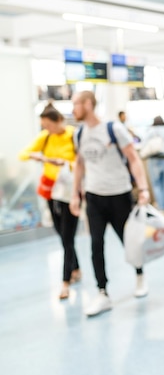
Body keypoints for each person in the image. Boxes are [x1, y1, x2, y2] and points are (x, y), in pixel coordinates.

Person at [69, 91, 151, 317]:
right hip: (94, 196)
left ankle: (140, 276)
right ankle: (102, 292)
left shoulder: (113, 129)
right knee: (96, 244)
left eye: (76, 104)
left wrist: (143, 188)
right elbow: (79, 164)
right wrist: (75, 193)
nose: (73, 109)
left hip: (119, 194)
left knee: (129, 241)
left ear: (88, 104)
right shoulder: (79, 134)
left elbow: (133, 158)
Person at [19, 104, 81, 300]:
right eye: (43, 126)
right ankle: (76, 268)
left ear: (58, 121)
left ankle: (65, 281)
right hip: (50, 190)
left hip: (68, 190)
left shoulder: (73, 135)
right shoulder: (45, 137)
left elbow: (81, 163)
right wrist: (36, 156)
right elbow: (23, 154)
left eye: (48, 125)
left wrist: (63, 163)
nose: (46, 129)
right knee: (62, 234)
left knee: (67, 235)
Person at [144, 116, 164, 212]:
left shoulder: (150, 131)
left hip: (153, 161)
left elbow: (144, 145)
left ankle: (161, 207)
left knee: (156, 184)